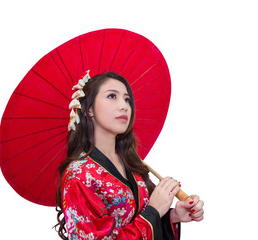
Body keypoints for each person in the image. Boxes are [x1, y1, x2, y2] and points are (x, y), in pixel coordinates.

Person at [54, 71, 204, 240]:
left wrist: (172, 216)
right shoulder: (78, 175)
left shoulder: (130, 162)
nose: (124, 106)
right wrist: (153, 212)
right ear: (89, 109)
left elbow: (136, 219)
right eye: (112, 96)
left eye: (127, 99)